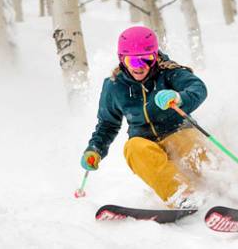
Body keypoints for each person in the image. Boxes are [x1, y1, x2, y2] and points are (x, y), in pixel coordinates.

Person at [81, 26, 210, 209]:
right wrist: (95, 149)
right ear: (122, 60)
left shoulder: (168, 71)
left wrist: (179, 98)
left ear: (155, 57)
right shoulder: (114, 86)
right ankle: (182, 195)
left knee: (188, 142)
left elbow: (198, 89)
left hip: (177, 130)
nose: (140, 67)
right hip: (145, 140)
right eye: (132, 61)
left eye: (147, 59)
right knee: (133, 148)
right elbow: (108, 124)